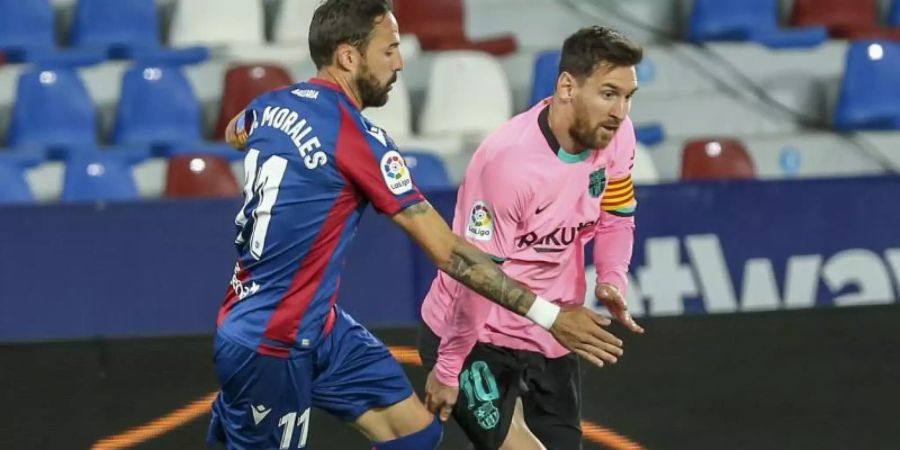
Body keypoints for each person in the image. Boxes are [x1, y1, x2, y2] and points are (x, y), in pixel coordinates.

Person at [208, 1, 622, 449]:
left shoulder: (271, 104)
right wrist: (550, 316)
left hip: (320, 327)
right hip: (272, 342)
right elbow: (451, 253)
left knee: (416, 433)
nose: (400, 63)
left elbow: (236, 130)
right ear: (349, 57)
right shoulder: (358, 139)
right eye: (389, 50)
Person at [417, 26, 645, 450]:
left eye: (628, 96)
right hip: (475, 337)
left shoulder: (617, 137)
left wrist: (611, 276)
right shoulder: (509, 165)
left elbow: (617, 213)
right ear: (566, 87)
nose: (620, 111)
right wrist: (449, 368)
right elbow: (475, 274)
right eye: (609, 93)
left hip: (552, 338)